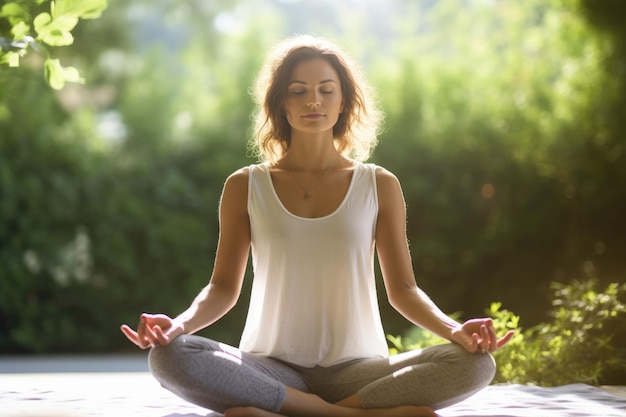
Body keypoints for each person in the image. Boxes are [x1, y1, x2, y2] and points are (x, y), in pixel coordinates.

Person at [120, 35, 515, 417]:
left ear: (343, 102)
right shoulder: (245, 185)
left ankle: (288, 411)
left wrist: (454, 330)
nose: (313, 100)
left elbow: (404, 291)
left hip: (359, 372)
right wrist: (179, 325)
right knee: (170, 356)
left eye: (327, 90)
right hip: (270, 367)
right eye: (298, 90)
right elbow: (223, 288)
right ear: (281, 104)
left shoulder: (379, 184)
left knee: (475, 365)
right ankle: (349, 416)